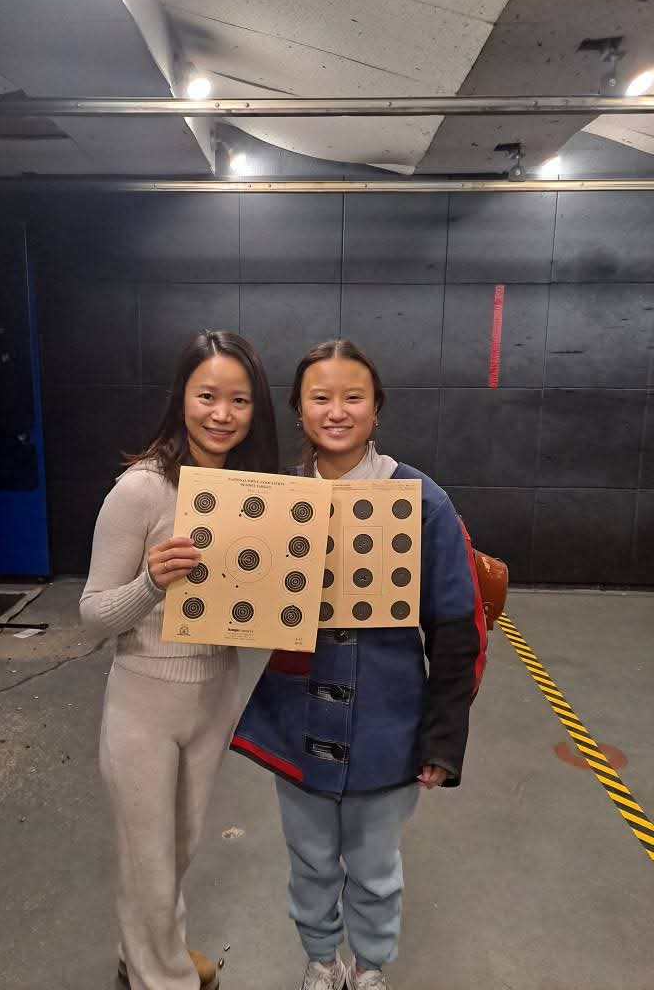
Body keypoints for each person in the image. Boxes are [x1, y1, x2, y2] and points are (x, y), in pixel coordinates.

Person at [231, 340, 483, 990]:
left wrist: (443, 737)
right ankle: (320, 959)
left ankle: (370, 968)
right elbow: (235, 604)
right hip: (296, 718)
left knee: (374, 865)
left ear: (376, 409)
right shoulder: (272, 502)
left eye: (353, 397)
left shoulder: (423, 501)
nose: (336, 411)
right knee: (310, 860)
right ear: (299, 409)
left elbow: (459, 630)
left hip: (387, 726)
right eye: (320, 397)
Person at [80, 331, 278, 990]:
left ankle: (142, 949)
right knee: (150, 862)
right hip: (144, 700)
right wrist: (149, 585)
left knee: (176, 849)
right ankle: (159, 977)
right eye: (207, 396)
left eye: (239, 400)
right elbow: (91, 614)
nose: (222, 414)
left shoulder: (257, 495)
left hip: (214, 693)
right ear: (182, 398)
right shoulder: (141, 490)